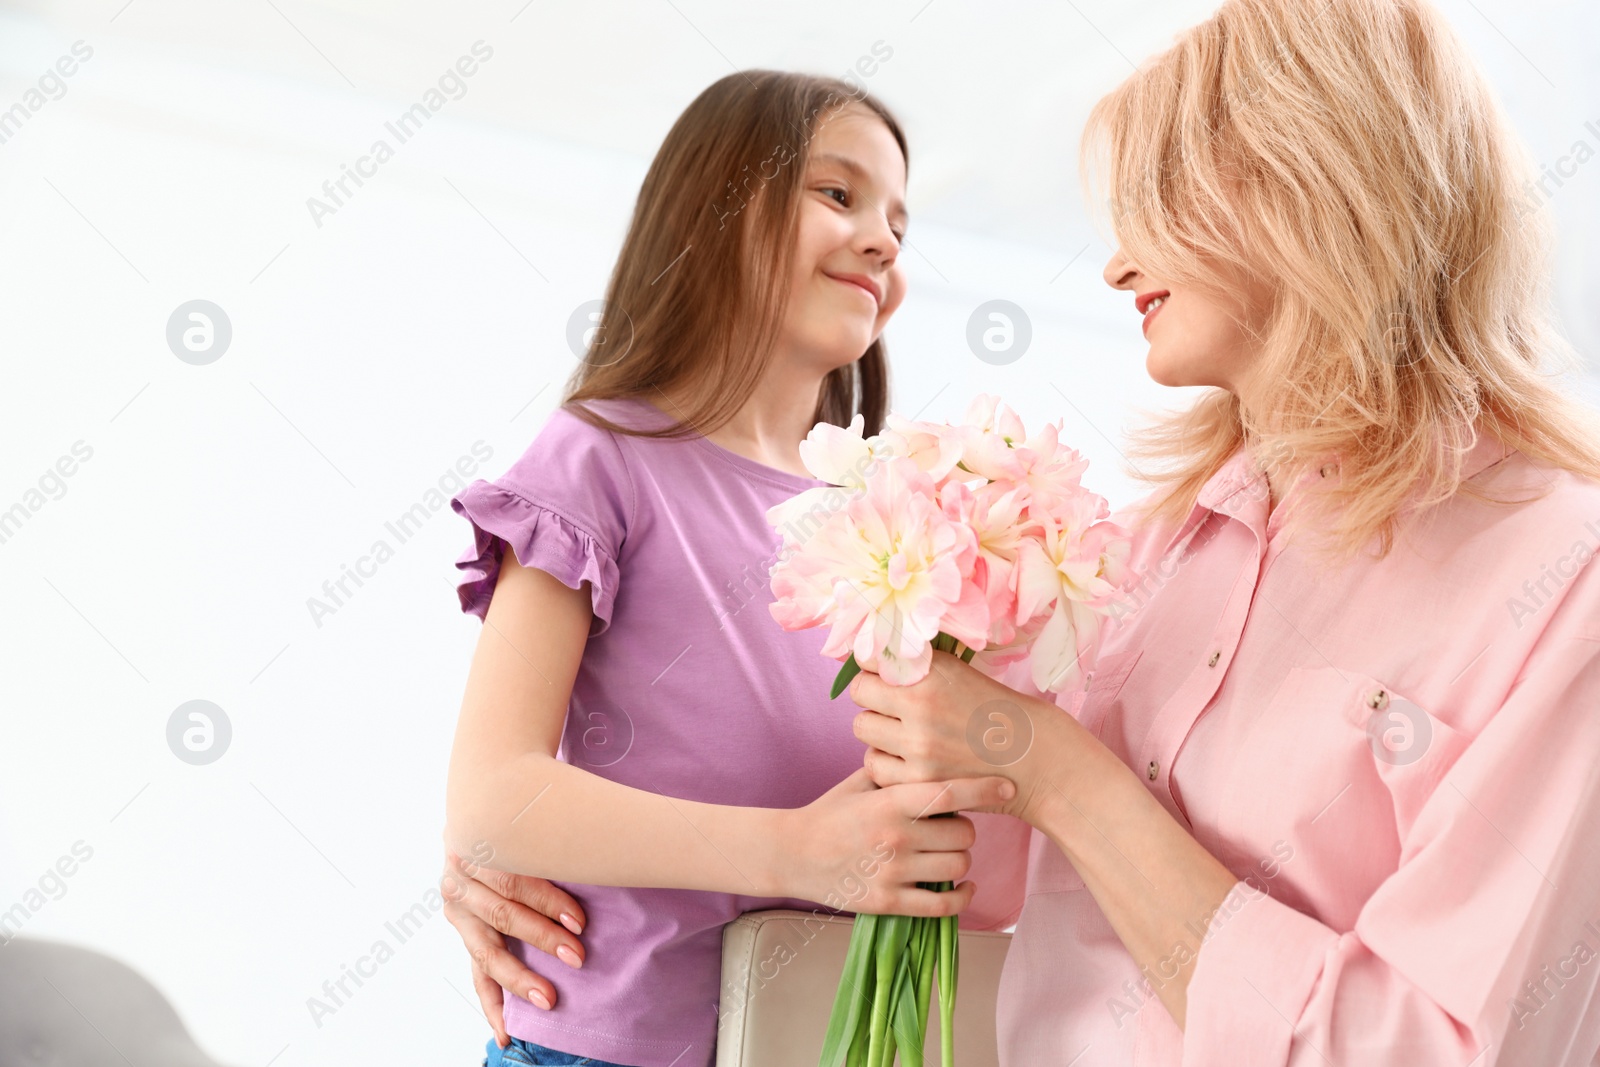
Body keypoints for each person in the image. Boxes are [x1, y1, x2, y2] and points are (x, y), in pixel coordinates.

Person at [848, 0, 1600, 1062]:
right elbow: (978, 866)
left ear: (1308, 184)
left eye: (1156, 199)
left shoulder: (1566, 579)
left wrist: (1064, 776)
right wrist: (562, 856)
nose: (1114, 266)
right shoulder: (1172, 535)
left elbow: (1429, 1047)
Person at [440, 69, 1028, 1067]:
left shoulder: (890, 520)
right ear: (716, 208)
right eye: (837, 194)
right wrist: (796, 851)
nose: (884, 240)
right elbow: (493, 800)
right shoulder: (599, 458)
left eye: (897, 218)